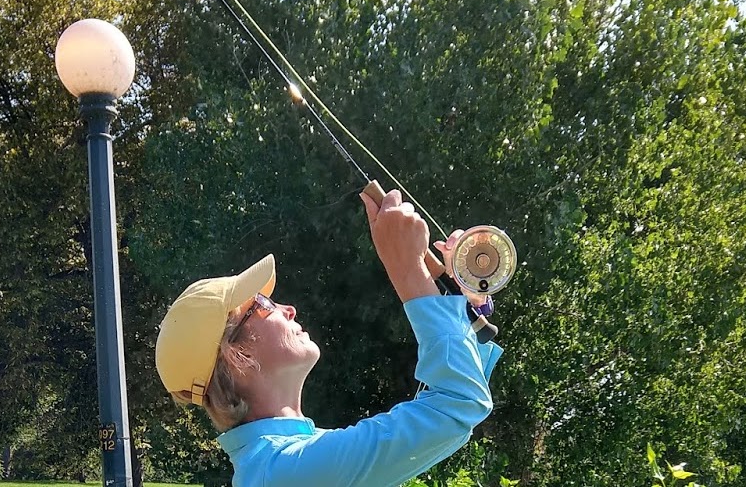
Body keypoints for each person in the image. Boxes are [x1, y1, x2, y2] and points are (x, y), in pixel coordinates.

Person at [155, 189, 502, 487]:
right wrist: (409, 272)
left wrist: (458, 304)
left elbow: (448, 410)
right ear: (236, 355)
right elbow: (457, 405)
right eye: (263, 305)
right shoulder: (286, 473)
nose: (288, 308)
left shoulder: (285, 465)